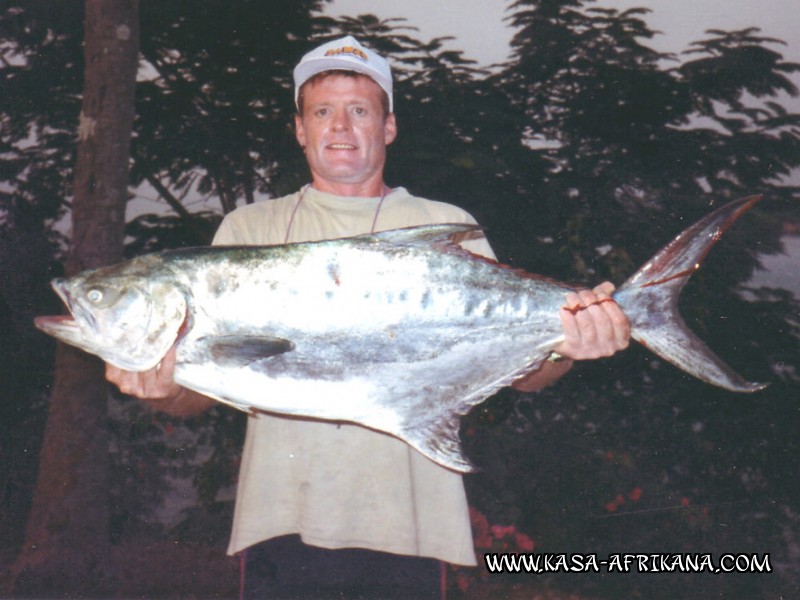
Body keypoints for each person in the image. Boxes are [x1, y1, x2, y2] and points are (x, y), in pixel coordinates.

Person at [106, 36, 630, 599]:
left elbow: (525, 374)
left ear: (388, 127)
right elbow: (202, 392)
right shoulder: (246, 231)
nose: (340, 126)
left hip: (410, 521)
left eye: (359, 110)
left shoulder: (445, 223)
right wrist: (159, 387)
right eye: (322, 111)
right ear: (300, 128)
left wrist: (563, 344)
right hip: (282, 518)